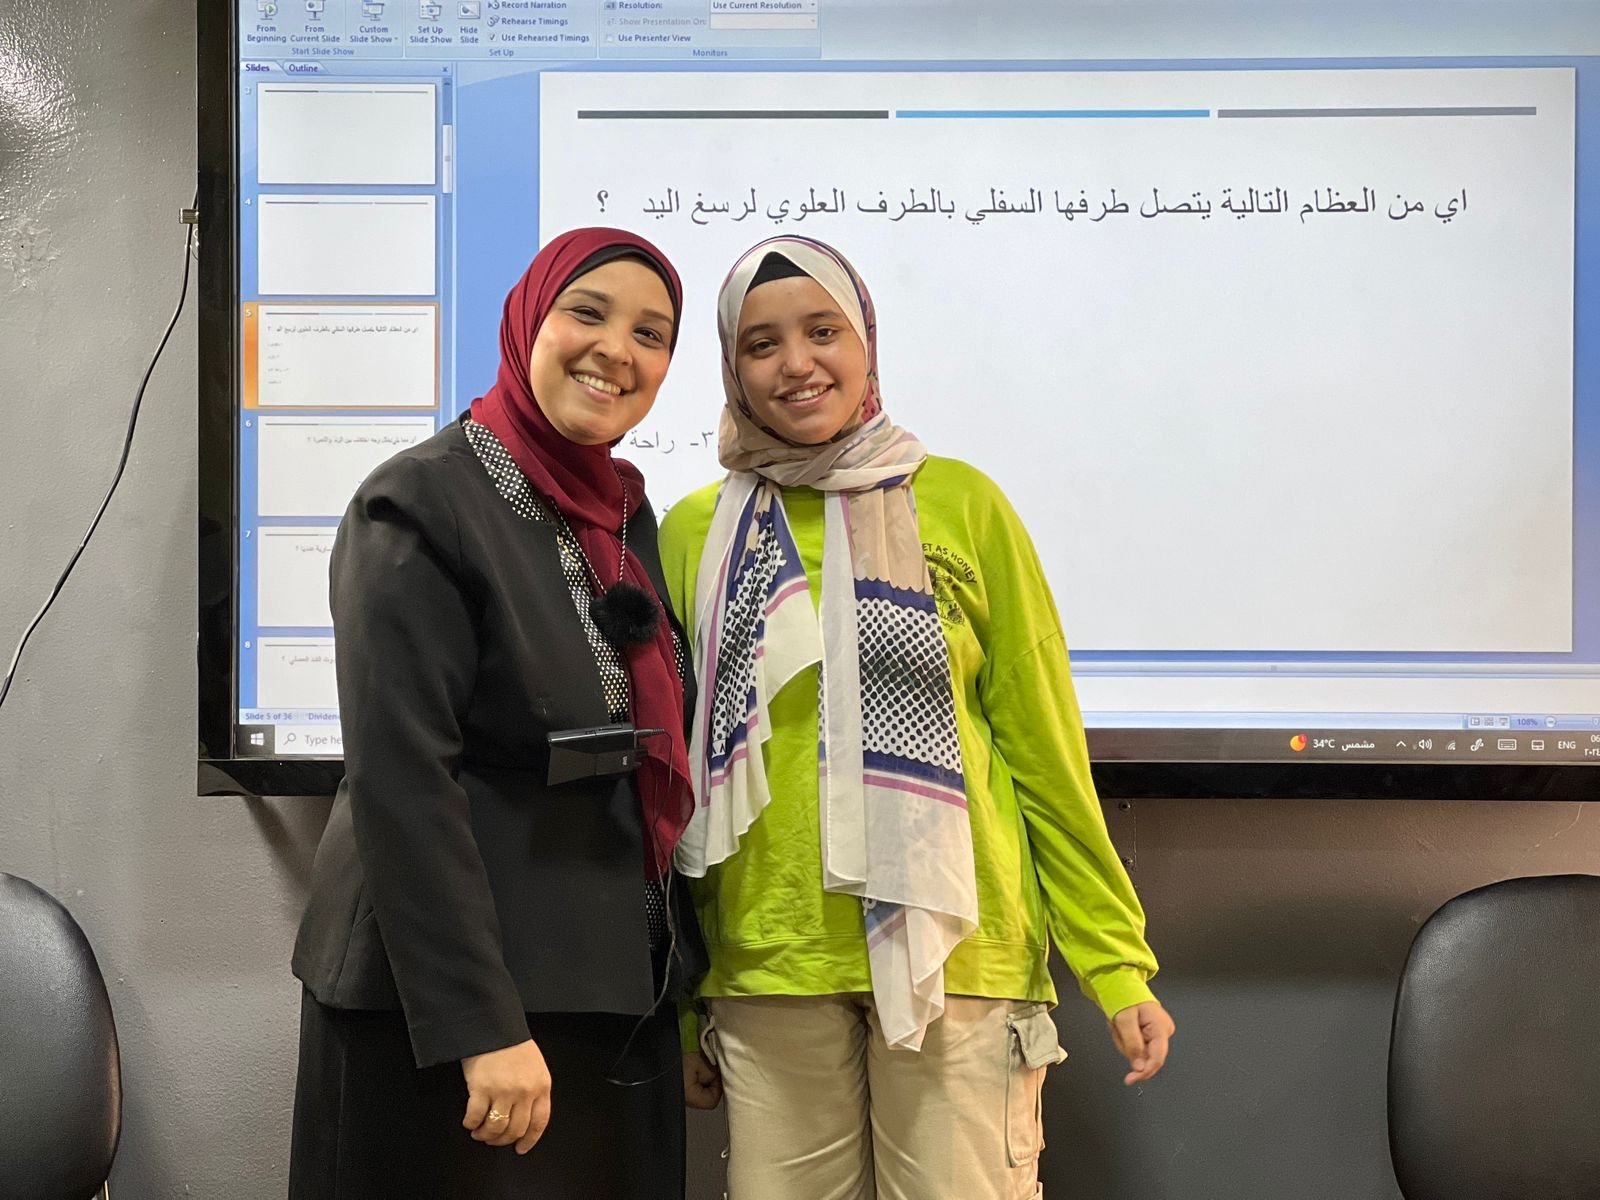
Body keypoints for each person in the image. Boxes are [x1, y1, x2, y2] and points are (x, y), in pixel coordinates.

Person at [660, 235, 1175, 1200]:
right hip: (770, 965)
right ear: (732, 368)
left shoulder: (965, 505)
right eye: (762, 344)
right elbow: (680, 788)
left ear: (866, 346)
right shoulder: (695, 530)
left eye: (823, 331)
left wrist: (1115, 961)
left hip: (959, 950)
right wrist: (687, 1006)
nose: (797, 363)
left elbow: (1042, 748)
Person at [288, 227, 706, 1200]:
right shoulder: (420, 503)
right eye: (588, 313)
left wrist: (677, 994)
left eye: (653, 333)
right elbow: (401, 783)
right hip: (455, 1019)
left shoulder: (618, 515)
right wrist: (482, 1024)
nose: (618, 350)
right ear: (529, 322)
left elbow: (638, 761)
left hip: (603, 992)